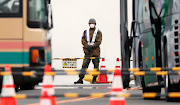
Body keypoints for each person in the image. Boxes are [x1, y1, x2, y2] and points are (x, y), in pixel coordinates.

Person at [74, 18, 102, 84]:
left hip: (95, 52)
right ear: (89, 24)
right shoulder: (85, 31)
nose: (92, 25)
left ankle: (94, 79)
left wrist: (92, 46)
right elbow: (83, 40)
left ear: (95, 24)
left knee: (96, 66)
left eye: (93, 23)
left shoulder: (98, 32)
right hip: (88, 52)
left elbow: (99, 41)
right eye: (91, 23)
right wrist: (87, 46)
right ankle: (80, 79)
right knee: (84, 65)